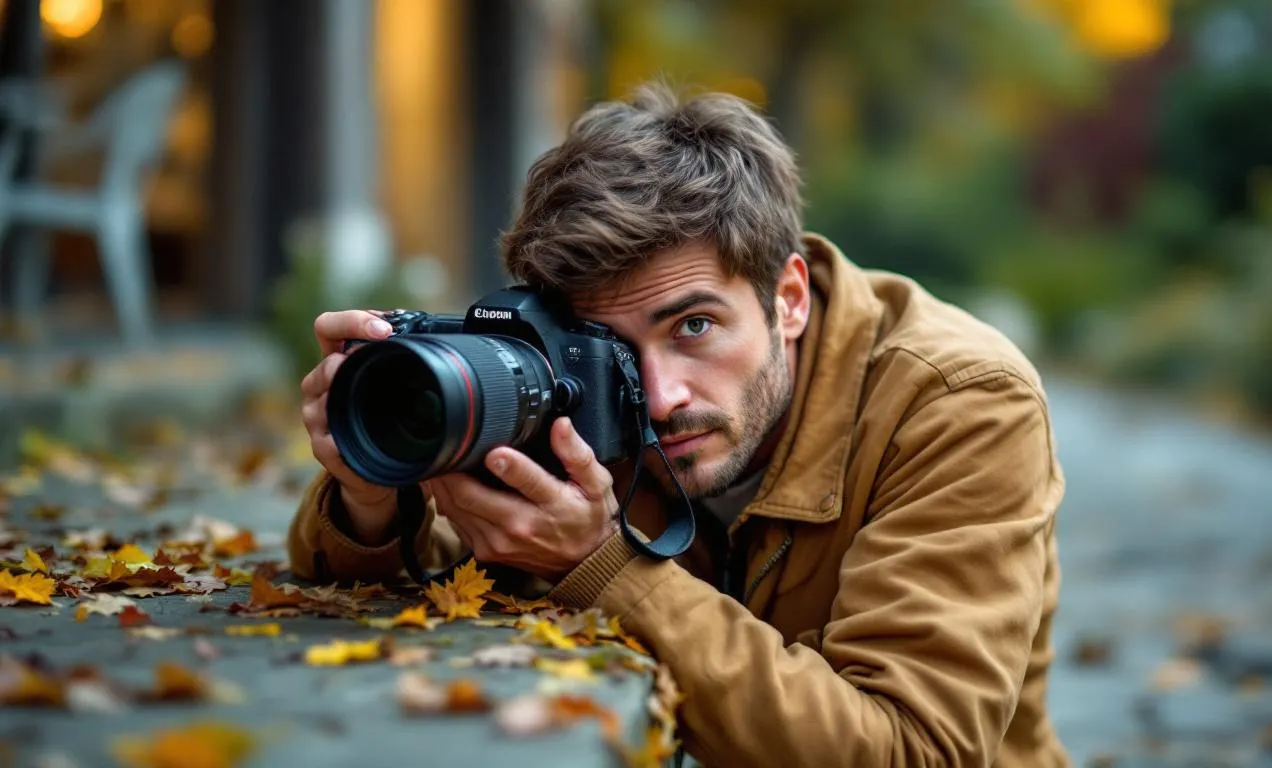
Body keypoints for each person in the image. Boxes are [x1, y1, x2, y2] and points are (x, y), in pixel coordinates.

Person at [287, 83, 1070, 768]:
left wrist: (605, 569)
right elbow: (421, 578)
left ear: (788, 297)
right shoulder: (570, 384)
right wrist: (373, 491)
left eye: (694, 326)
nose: (659, 397)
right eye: (615, 352)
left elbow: (911, 749)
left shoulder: (959, 403)